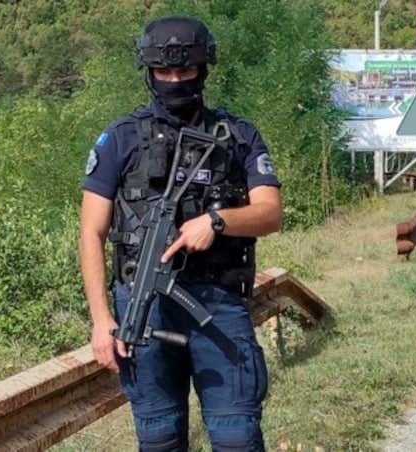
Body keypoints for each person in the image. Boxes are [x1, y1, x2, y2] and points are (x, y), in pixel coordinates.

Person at [79, 16, 282, 452]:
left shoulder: (237, 135)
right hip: (142, 306)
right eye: (164, 72)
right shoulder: (119, 140)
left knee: (237, 437)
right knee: (159, 437)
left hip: (217, 303)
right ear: (149, 72)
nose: (174, 80)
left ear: (203, 70)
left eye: (185, 71)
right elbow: (91, 232)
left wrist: (217, 222)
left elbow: (270, 213)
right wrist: (101, 321)